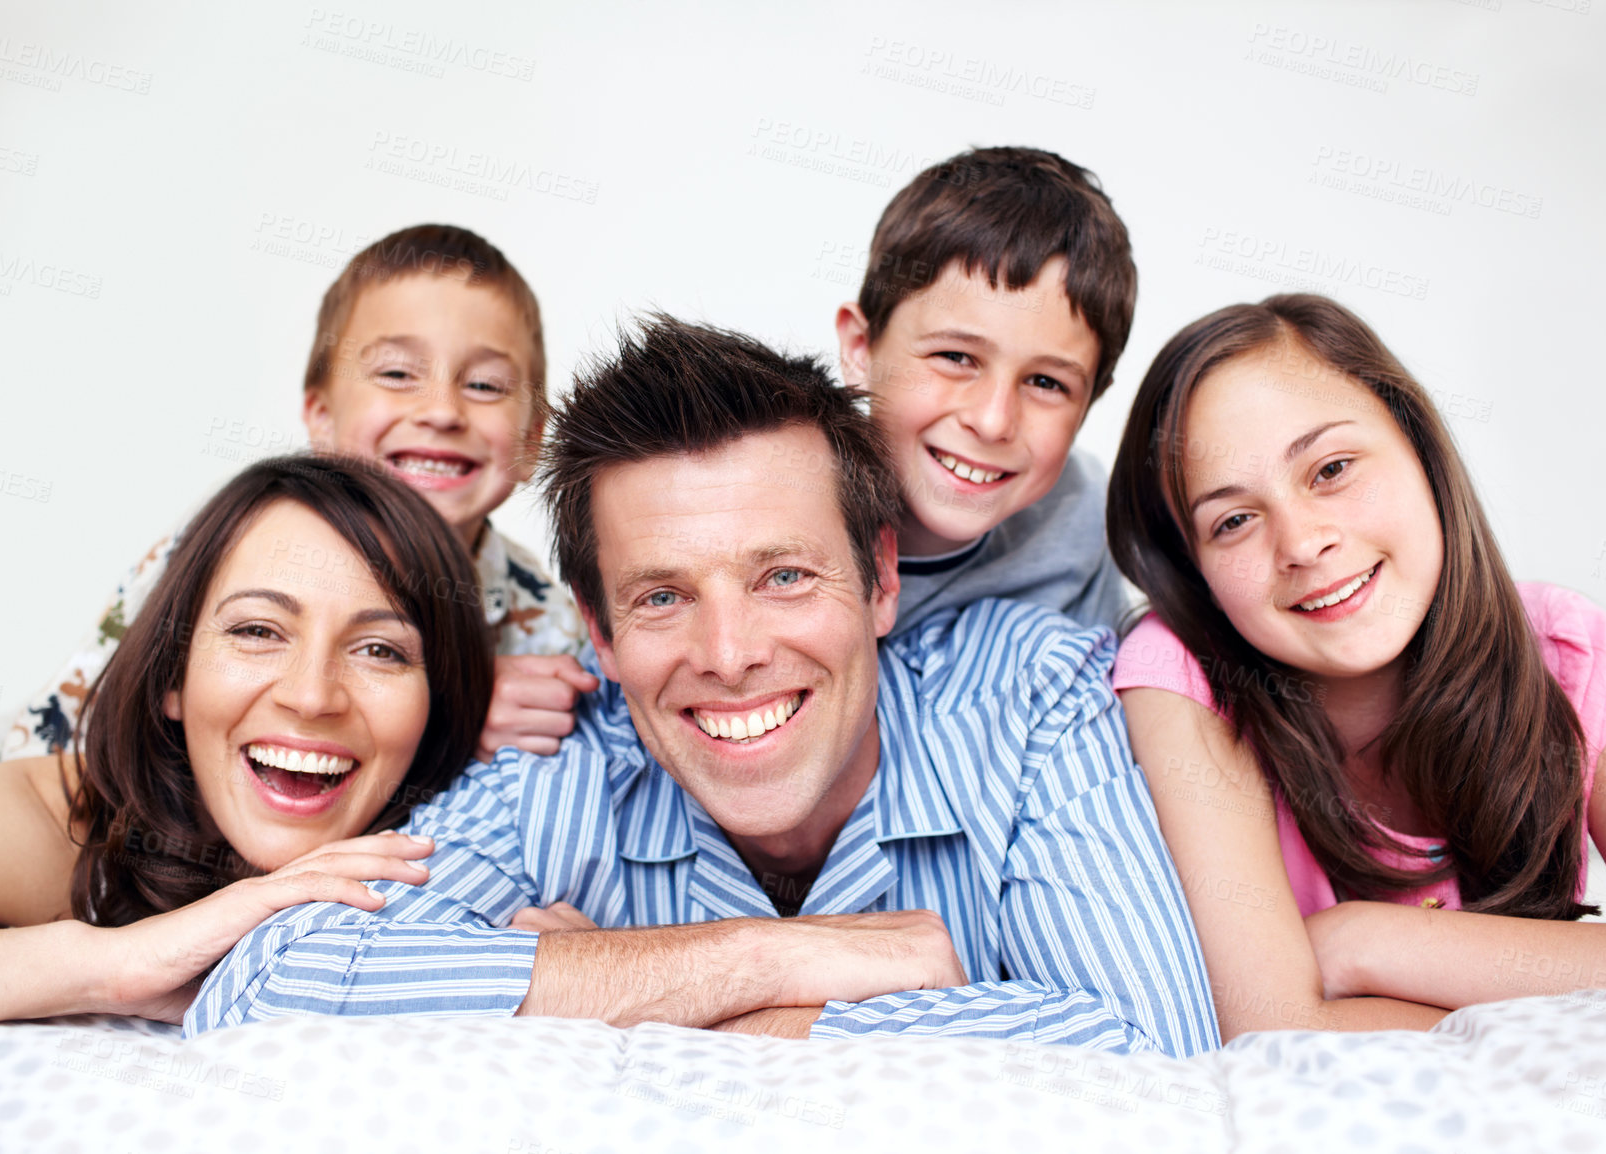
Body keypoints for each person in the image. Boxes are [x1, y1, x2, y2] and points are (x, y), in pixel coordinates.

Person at [187, 317, 1218, 1058]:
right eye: (663, 596)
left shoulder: (1033, 697)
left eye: (783, 576)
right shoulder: (562, 773)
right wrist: (772, 960)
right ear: (596, 632)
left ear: (881, 579)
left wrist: (617, 984)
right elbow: (265, 981)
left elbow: (1146, 1036)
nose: (728, 654)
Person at [1105, 294, 1606, 1040]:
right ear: (1197, 575)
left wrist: (1362, 944)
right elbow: (1275, 1025)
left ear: (1420, 449)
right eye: (1232, 521)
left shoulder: (1571, 657)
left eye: (1331, 469)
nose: (1301, 543)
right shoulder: (1182, 677)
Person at [0, 455, 491, 1029]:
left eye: (379, 650)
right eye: (256, 631)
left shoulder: (478, 849)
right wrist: (113, 964)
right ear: (173, 678)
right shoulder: (50, 819)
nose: (312, 697)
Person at [0, 224, 589, 767]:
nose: (440, 411)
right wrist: (458, 715)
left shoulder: (548, 623)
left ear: (532, 440)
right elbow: (57, 751)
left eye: (484, 385)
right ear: (322, 417)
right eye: (396, 374)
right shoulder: (225, 549)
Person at [834, 146, 1134, 635]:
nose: (993, 421)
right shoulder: (784, 506)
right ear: (861, 349)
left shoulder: (1078, 513)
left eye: (1046, 383)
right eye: (955, 357)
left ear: (1090, 402)